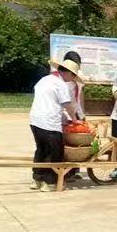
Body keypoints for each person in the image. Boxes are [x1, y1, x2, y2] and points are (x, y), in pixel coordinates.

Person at [29, 59, 82, 191]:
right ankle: (50, 182)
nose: (72, 79)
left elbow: (50, 102)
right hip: (49, 123)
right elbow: (67, 105)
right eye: (73, 75)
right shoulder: (60, 84)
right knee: (55, 153)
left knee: (41, 150)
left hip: (35, 120)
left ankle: (37, 179)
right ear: (68, 73)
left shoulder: (44, 80)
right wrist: (75, 119)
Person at [61, 50, 86, 180]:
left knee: (78, 142)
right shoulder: (62, 78)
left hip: (76, 111)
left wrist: (82, 113)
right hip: (65, 112)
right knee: (67, 142)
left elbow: (81, 94)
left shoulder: (79, 76)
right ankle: (65, 171)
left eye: (78, 64)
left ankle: (75, 170)